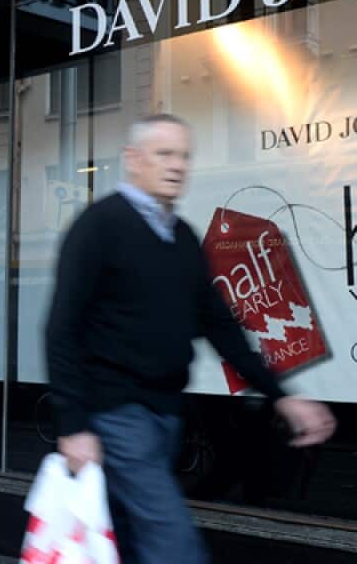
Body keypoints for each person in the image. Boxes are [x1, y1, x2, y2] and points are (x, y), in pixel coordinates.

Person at [45, 113, 336, 564]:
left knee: (126, 539)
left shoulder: (181, 238)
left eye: (184, 156)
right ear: (133, 159)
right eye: (164, 154)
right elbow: (60, 329)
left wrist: (282, 396)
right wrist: (73, 426)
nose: (177, 165)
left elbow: (222, 328)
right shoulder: (99, 227)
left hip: (165, 416)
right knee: (171, 540)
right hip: (118, 415)